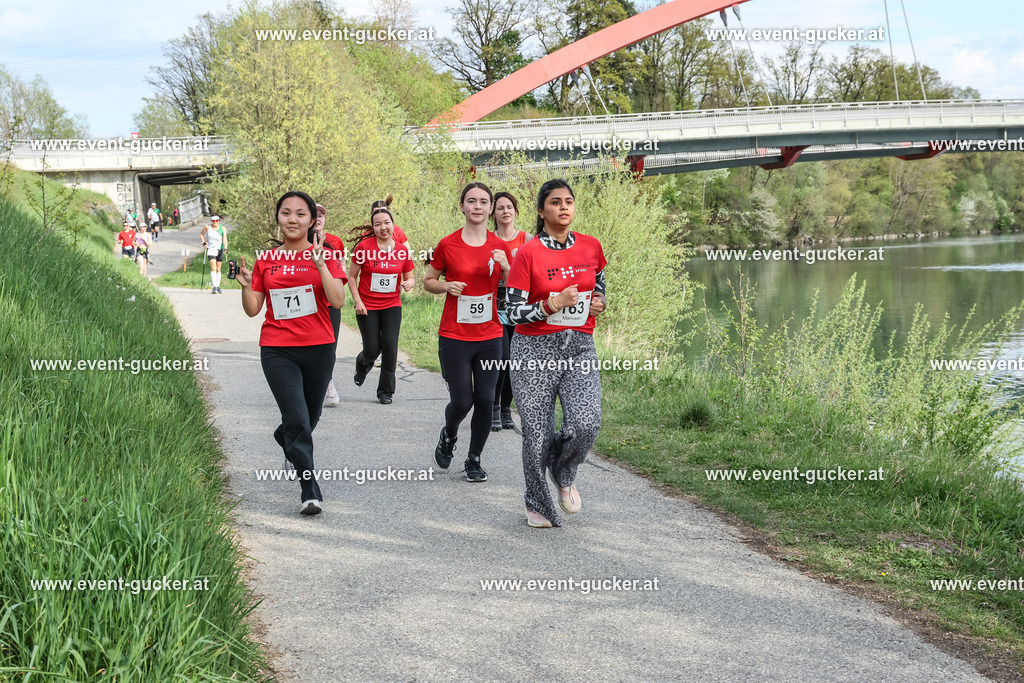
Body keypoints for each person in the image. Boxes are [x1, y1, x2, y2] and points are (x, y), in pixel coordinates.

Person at [235, 191, 347, 516]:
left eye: (300, 214)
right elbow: (253, 309)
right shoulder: (265, 260)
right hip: (277, 349)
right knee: (298, 418)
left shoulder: (325, 255)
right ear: (278, 218)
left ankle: (285, 437)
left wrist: (322, 266)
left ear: (312, 220)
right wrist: (245, 286)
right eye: (286, 213)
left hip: (319, 348)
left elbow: (338, 301)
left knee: (309, 418)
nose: (293, 219)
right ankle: (309, 489)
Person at [506, 178, 607, 528]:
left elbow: (601, 285)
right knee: (537, 432)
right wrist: (551, 304)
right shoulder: (527, 253)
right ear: (541, 210)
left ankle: (563, 470)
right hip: (533, 348)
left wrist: (599, 303)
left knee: (586, 422)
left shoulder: (591, 247)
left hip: (579, 346)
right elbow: (511, 311)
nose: (564, 207)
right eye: (555, 202)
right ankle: (537, 501)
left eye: (568, 201)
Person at [424, 182, 512, 482]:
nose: (477, 206)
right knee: (462, 401)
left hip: (490, 335)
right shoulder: (448, 245)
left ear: (491, 209)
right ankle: (449, 434)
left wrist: (509, 269)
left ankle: (474, 459)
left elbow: (519, 289)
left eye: (483, 202)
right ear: (462, 206)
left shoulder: (500, 247)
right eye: (471, 201)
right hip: (455, 335)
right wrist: (446, 286)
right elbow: (428, 280)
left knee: (486, 399)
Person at [348, 202, 415, 404]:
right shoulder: (363, 248)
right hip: (367, 305)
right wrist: (358, 301)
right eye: (378, 224)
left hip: (392, 305)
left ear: (393, 224)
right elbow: (351, 277)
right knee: (372, 349)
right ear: (373, 228)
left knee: (390, 346)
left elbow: (410, 276)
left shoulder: (402, 250)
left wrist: (409, 283)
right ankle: (362, 364)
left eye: (386, 223)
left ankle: (385, 391)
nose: (383, 227)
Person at [490, 191, 531, 431]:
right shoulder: (487, 239)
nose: (505, 211)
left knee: (515, 361)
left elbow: (535, 273)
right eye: (500, 208)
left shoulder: (529, 240)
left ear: (516, 211)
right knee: (500, 358)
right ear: (493, 214)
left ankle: (507, 409)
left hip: (521, 305)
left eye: (509, 207)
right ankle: (493, 407)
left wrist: (508, 267)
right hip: (494, 304)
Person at [311, 203, 346, 408]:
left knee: (330, 346)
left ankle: (327, 381)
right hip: (309, 303)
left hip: (330, 303)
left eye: (321, 215)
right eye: (314, 215)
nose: (318, 219)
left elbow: (340, 269)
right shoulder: (296, 241)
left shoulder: (335, 243)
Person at [200, 215, 227, 294]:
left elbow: (224, 238)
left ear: (219, 220)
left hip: (220, 249)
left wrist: (225, 247)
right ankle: (214, 287)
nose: (215, 222)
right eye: (213, 221)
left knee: (218, 268)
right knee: (213, 267)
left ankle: (218, 286)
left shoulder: (222, 228)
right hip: (211, 249)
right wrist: (203, 242)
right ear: (211, 221)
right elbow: (201, 234)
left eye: (216, 221)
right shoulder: (208, 227)